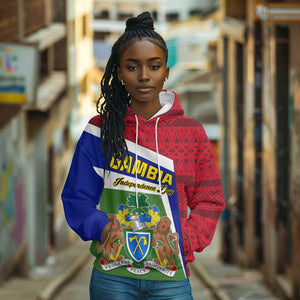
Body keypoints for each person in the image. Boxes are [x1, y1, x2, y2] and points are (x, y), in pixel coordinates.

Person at [62, 11, 225, 300]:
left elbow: (209, 199)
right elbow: (76, 198)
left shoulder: (191, 133)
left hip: (171, 279)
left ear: (166, 71)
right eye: (132, 67)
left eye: (154, 66)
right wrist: (101, 228)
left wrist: (186, 240)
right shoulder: (100, 131)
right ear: (120, 72)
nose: (144, 76)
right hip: (112, 277)